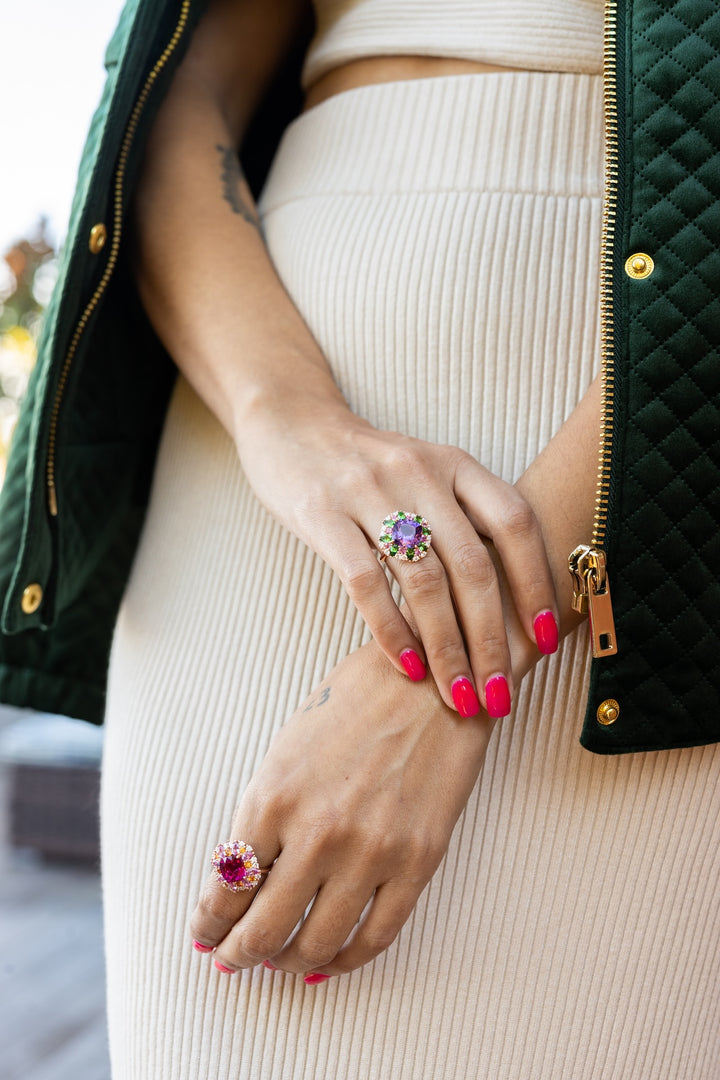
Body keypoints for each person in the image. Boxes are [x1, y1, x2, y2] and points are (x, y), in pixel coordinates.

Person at [1, 1, 719, 1077]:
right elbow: (182, 86)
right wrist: (286, 420)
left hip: (656, 450)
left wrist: (454, 659)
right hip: (251, 435)